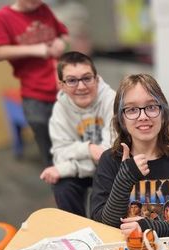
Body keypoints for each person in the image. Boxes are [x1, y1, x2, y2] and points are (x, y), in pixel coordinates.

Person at [90, 73, 169, 243]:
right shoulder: (109, 161)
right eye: (132, 109)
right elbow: (104, 222)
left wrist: (149, 227)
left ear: (163, 113)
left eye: (151, 107)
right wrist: (125, 177)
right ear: (121, 119)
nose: (143, 116)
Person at [0, 0, 69, 167]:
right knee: (54, 157)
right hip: (36, 97)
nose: (37, 3)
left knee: (76, 147)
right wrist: (34, 49)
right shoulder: (3, 18)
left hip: (63, 91)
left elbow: (62, 34)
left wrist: (61, 42)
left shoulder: (43, 9)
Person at [39, 51, 115, 215]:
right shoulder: (60, 110)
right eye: (72, 81)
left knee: (102, 197)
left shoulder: (112, 101)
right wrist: (89, 149)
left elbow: (109, 157)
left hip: (112, 171)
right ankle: (78, 232)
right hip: (82, 168)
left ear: (96, 78)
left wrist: (65, 168)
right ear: (62, 85)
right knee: (62, 187)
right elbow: (60, 153)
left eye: (87, 78)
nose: (81, 86)